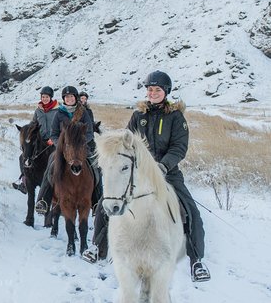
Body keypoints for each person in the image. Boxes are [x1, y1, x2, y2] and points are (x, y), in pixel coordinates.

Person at [82, 70, 211, 283]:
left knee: (191, 211)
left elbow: (179, 147)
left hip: (167, 173)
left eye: (157, 90)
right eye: (150, 89)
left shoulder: (176, 117)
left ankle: (197, 261)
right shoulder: (138, 116)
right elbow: (127, 142)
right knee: (110, 200)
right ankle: (97, 247)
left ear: (166, 92)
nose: (152, 93)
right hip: (138, 172)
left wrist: (163, 165)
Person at [35, 86, 100, 214]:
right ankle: (43, 200)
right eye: (66, 97)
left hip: (81, 149)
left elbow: (90, 133)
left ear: (75, 98)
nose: (69, 99)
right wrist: (60, 144)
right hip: (63, 150)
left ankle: (97, 202)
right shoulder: (59, 113)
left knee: (96, 167)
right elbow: (54, 134)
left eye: (71, 96)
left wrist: (80, 143)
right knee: (50, 167)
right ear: (64, 99)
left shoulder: (84, 112)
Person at [12, 86, 59, 193]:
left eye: (47, 97)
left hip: (53, 140)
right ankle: (24, 182)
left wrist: (53, 138)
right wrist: (26, 130)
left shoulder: (57, 110)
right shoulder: (38, 111)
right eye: (43, 97)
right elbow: (33, 124)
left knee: (58, 158)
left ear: (50, 97)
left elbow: (60, 126)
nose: (45, 99)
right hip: (40, 141)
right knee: (22, 157)